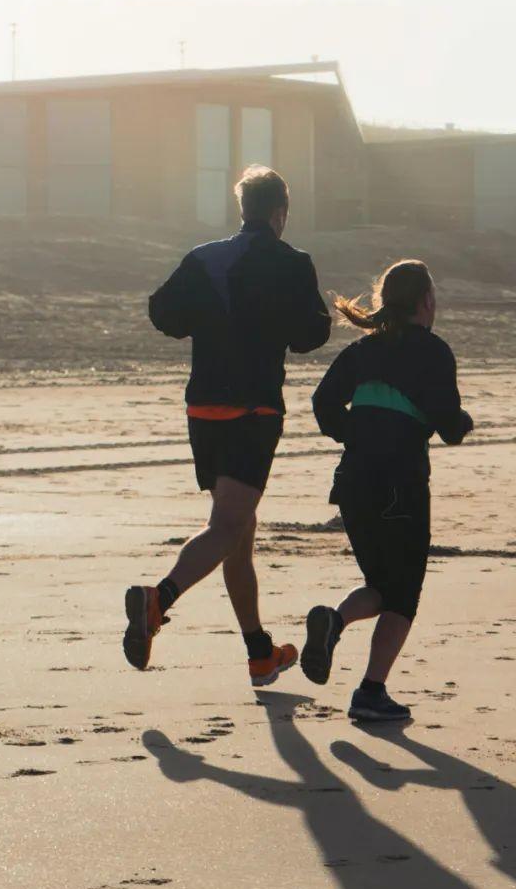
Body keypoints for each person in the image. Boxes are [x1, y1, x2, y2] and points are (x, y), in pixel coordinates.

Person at [122, 164, 331, 685]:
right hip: (253, 410)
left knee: (239, 529)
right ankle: (157, 599)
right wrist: (272, 323)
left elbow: (162, 313)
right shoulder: (292, 262)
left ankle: (260, 652)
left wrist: (211, 321)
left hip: (203, 409)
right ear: (280, 213)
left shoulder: (205, 257)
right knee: (227, 527)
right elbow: (312, 334)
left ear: (243, 209)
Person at [302, 260, 473, 723]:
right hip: (401, 485)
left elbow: (322, 403)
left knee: (382, 585)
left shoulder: (363, 349)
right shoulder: (433, 352)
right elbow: (449, 426)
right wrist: (463, 423)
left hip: (353, 483)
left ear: (385, 300)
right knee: (403, 595)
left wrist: (356, 434)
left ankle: (334, 621)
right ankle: (371, 691)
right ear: (427, 302)